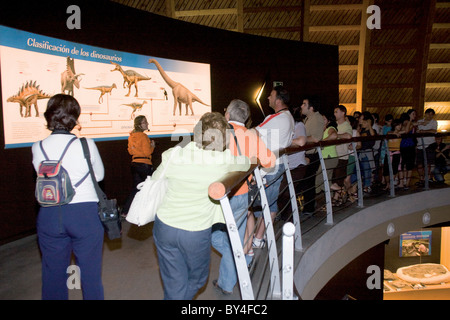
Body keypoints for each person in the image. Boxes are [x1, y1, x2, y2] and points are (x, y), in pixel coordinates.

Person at [152, 112, 250, 300]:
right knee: (197, 280)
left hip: (164, 226)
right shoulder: (224, 160)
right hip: (195, 233)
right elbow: (245, 163)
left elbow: (155, 181)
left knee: (173, 283)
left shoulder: (173, 154)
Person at [32, 94, 105, 300]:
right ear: (74, 117)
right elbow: (98, 175)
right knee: (90, 277)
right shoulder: (86, 144)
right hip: (84, 215)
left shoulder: (37, 146)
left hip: (49, 214)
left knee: (53, 276)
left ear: (50, 116)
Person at [211, 99, 275, 295]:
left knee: (210, 236)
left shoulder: (219, 133)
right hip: (243, 195)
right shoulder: (252, 135)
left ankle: (238, 258)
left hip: (216, 196)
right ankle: (236, 268)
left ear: (227, 115)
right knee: (235, 236)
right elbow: (270, 162)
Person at [252, 85, 294, 248]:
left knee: (267, 203)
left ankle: (258, 238)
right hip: (279, 164)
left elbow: (253, 132)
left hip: (270, 167)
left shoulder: (275, 118)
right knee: (270, 202)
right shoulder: (289, 117)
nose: (268, 98)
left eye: (270, 95)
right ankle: (260, 236)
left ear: (278, 100)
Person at [121, 115, 155, 217]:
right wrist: (152, 146)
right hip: (145, 165)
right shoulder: (143, 136)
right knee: (151, 188)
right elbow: (147, 152)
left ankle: (125, 210)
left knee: (137, 188)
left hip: (135, 164)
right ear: (140, 125)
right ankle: (149, 211)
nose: (147, 124)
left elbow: (130, 151)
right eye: (145, 122)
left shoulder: (131, 136)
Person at [278, 106, 307, 219]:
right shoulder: (287, 127)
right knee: (283, 192)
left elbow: (301, 141)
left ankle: (290, 218)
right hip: (287, 166)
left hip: (297, 166)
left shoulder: (298, 125)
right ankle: (287, 217)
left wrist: (285, 142)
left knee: (284, 192)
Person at [301, 96, 325, 214]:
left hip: (312, 155)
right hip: (308, 154)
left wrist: (301, 139)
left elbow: (316, 138)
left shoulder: (317, 118)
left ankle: (309, 208)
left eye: (304, 104)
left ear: (311, 107)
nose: (301, 106)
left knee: (308, 182)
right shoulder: (308, 119)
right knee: (306, 182)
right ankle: (308, 206)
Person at [330, 105, 353, 203]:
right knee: (333, 177)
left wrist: (336, 136)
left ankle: (336, 198)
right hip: (333, 154)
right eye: (334, 112)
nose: (335, 113)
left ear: (343, 113)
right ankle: (339, 195)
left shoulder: (347, 125)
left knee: (339, 177)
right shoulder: (333, 124)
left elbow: (348, 136)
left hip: (342, 155)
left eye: (336, 111)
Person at [314, 113, 338, 197]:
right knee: (327, 180)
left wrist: (322, 142)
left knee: (318, 180)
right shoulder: (323, 130)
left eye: (324, 119)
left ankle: (340, 190)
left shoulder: (330, 128)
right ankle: (331, 202)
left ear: (329, 121)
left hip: (329, 158)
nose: (322, 121)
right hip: (328, 158)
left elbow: (334, 135)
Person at [416, 108, 438, 184]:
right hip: (420, 145)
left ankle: (427, 178)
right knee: (419, 164)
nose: (430, 116)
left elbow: (434, 130)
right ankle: (421, 178)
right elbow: (416, 129)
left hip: (429, 144)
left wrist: (423, 131)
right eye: (429, 114)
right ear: (425, 114)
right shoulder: (419, 122)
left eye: (432, 114)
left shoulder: (434, 122)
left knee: (428, 163)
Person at [382, 119, 403, 191]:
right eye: (398, 125)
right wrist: (394, 133)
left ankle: (390, 184)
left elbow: (405, 131)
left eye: (400, 125)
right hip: (389, 152)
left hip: (396, 152)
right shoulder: (390, 132)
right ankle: (388, 183)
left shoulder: (401, 133)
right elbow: (388, 133)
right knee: (386, 170)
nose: (400, 126)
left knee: (394, 169)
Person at [358, 111, 376, 193]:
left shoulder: (371, 130)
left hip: (367, 152)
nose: (361, 121)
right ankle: (366, 185)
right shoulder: (361, 131)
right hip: (361, 152)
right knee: (364, 170)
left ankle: (367, 186)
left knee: (367, 170)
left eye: (363, 120)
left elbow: (373, 137)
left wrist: (369, 125)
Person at [399, 112, 416, 190]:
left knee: (409, 165)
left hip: (410, 146)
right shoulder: (402, 125)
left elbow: (406, 131)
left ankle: (407, 182)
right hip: (402, 146)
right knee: (403, 165)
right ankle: (403, 181)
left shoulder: (411, 124)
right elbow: (403, 130)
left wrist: (410, 121)